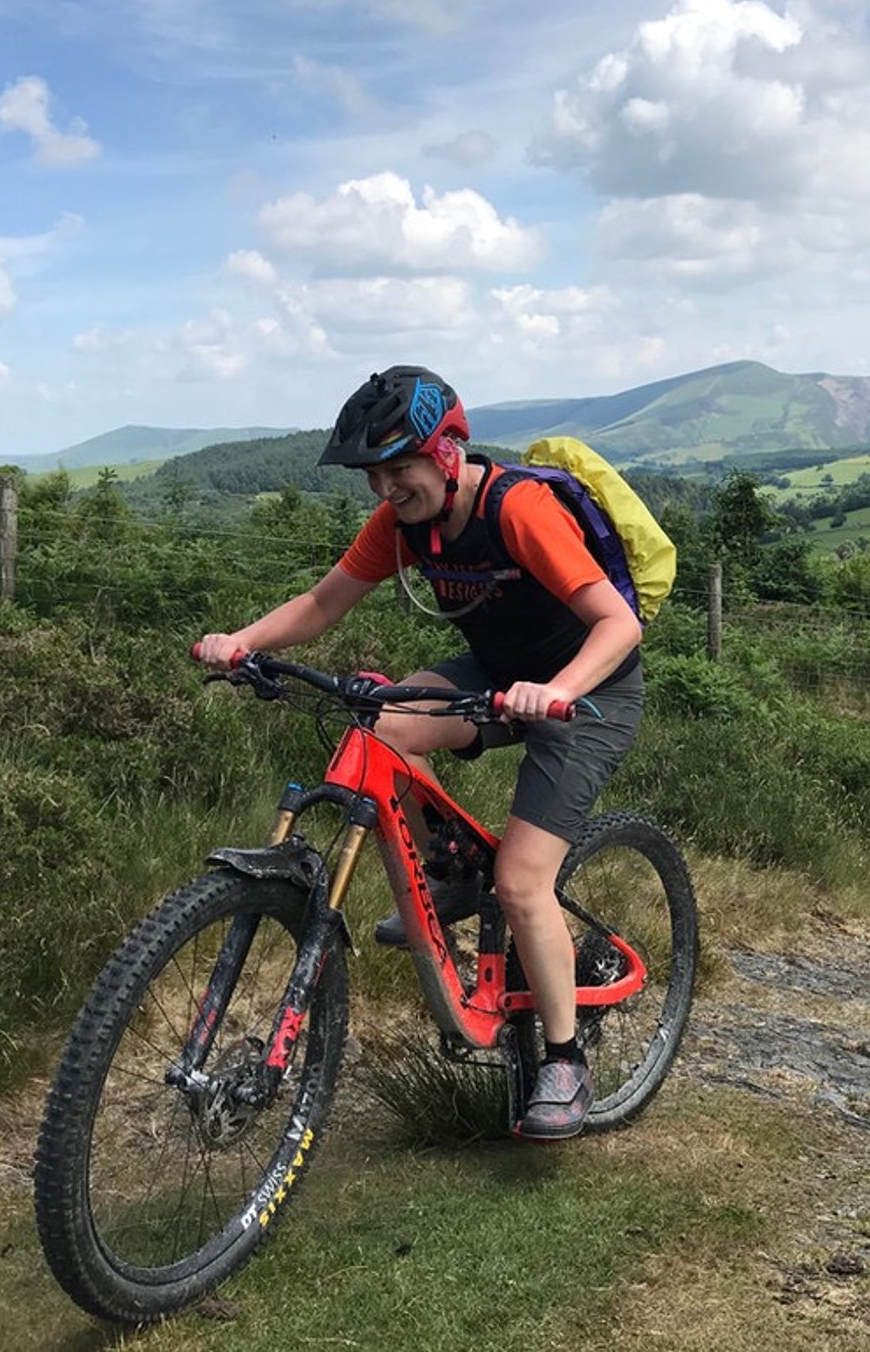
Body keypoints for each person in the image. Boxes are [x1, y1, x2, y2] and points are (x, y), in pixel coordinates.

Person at [194, 366, 644, 1140]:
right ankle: (448, 871)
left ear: (445, 452)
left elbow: (618, 624)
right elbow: (322, 603)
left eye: (398, 470)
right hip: (493, 678)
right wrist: (243, 641)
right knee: (379, 724)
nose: (385, 490)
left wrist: (555, 689)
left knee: (524, 878)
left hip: (587, 691)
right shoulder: (403, 524)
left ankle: (564, 1061)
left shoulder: (521, 509)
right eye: (375, 475)